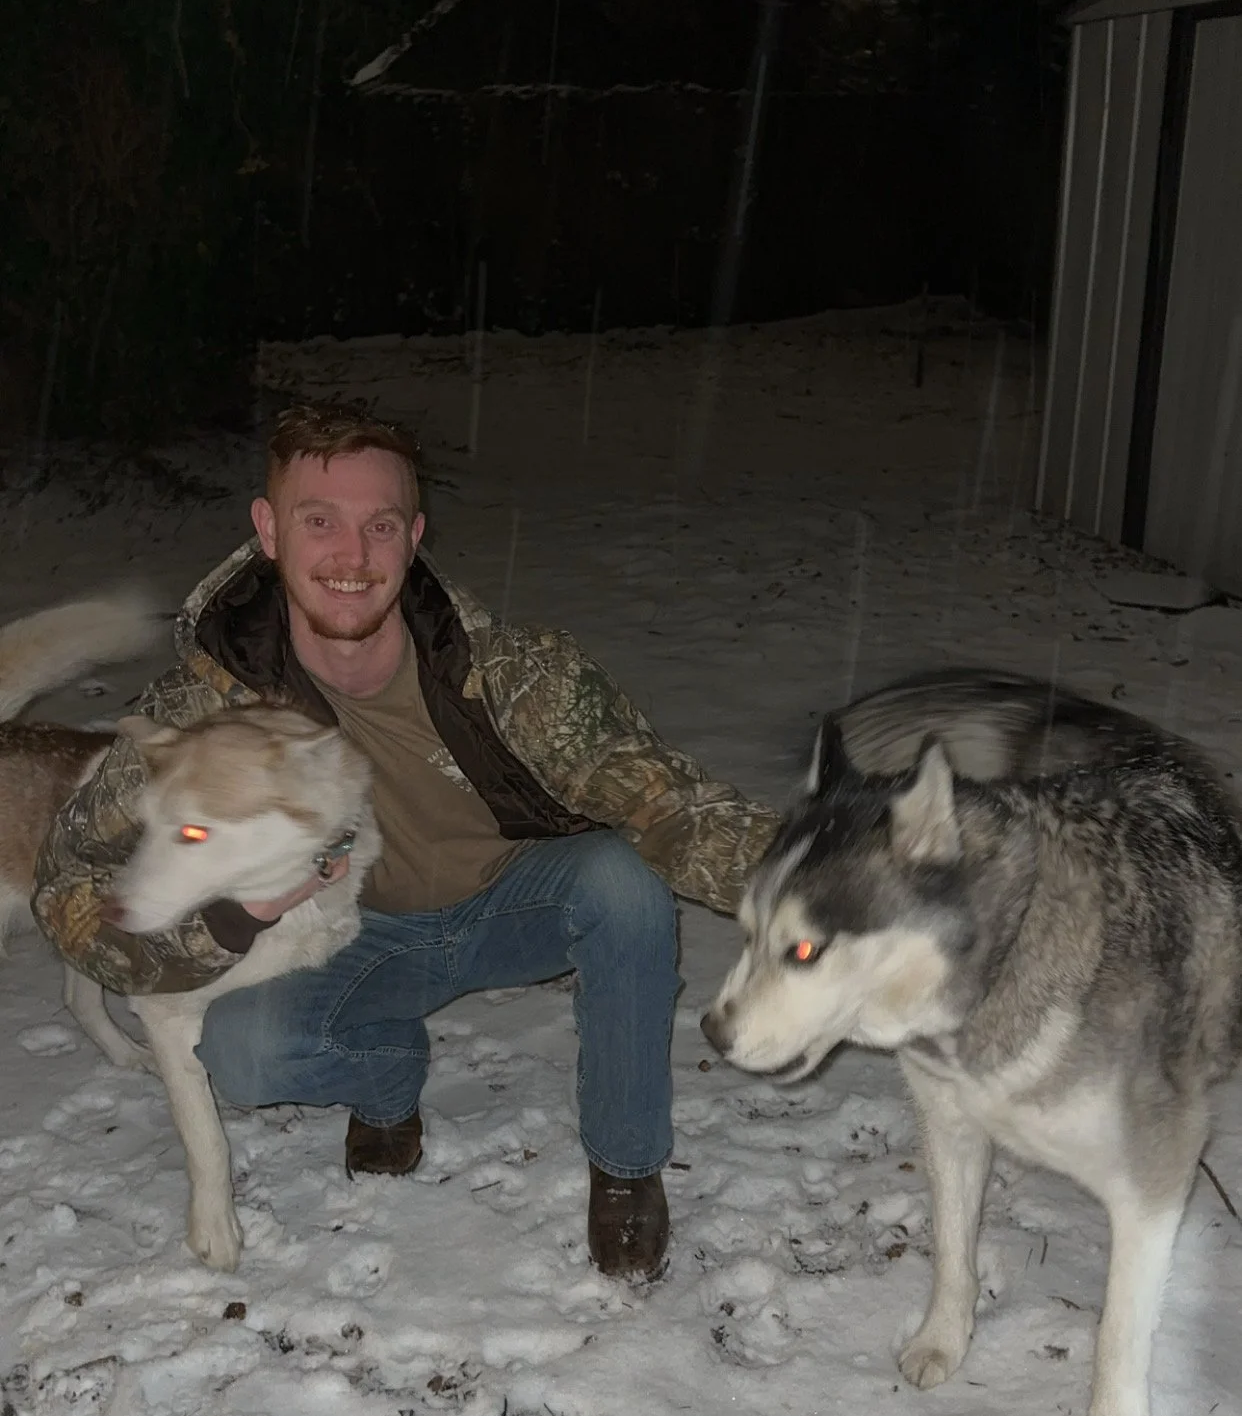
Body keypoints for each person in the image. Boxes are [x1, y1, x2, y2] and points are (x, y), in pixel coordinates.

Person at [33, 405, 779, 1279]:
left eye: (379, 525)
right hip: (361, 938)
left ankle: (625, 1169)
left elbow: (671, 804)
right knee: (243, 1052)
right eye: (320, 522)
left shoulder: (511, 671)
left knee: (624, 883)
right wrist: (227, 923)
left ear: (414, 536)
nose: (352, 557)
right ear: (267, 530)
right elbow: (67, 891)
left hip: (515, 900)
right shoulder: (204, 713)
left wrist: (825, 884)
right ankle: (388, 1083)